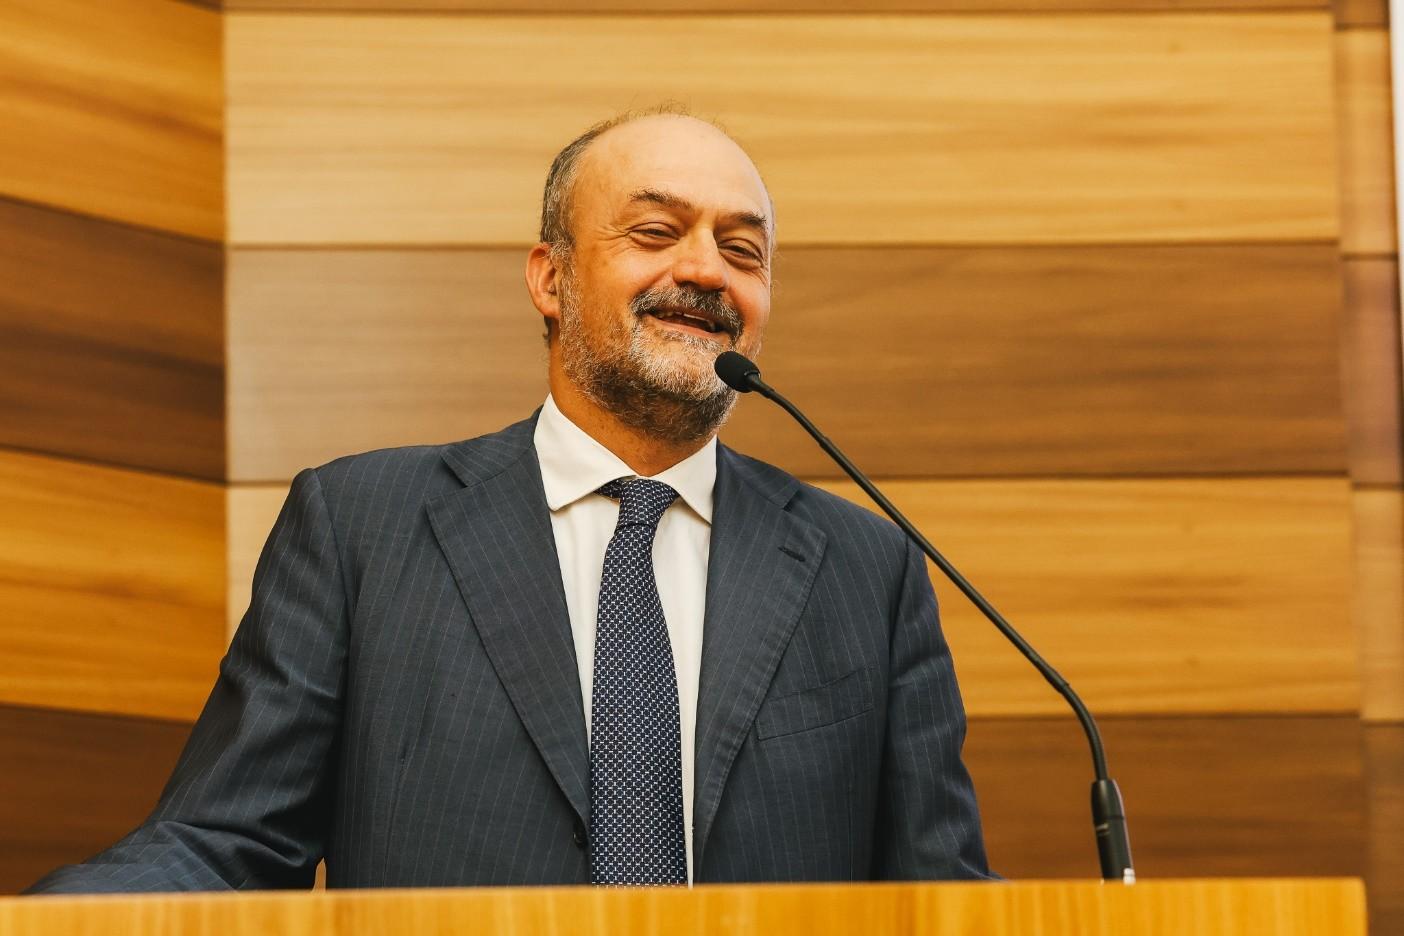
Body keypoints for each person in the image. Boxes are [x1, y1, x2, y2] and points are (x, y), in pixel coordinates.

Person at [28, 109, 993, 892]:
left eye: (743, 251)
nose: (706, 270)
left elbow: (941, 892)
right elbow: (225, 844)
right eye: (656, 232)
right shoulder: (360, 527)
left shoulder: (867, 570)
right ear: (550, 278)